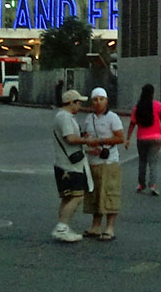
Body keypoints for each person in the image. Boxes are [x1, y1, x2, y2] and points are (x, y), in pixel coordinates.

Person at [52, 88, 98, 243]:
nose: (80, 106)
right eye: (78, 103)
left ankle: (63, 226)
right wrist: (87, 141)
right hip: (70, 164)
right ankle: (62, 227)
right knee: (77, 196)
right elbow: (70, 138)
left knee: (68, 197)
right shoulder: (65, 117)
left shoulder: (62, 116)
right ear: (71, 103)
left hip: (64, 162)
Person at [81, 87, 124, 241]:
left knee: (110, 193)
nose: (98, 103)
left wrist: (101, 142)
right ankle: (96, 225)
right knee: (95, 194)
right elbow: (85, 135)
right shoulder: (89, 118)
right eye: (95, 100)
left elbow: (120, 138)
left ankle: (110, 227)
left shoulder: (113, 118)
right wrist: (89, 146)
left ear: (106, 100)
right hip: (93, 161)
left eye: (101, 99)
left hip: (109, 161)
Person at [124, 83, 161, 195]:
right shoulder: (159, 106)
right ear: (152, 93)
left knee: (142, 161)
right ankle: (153, 185)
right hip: (156, 138)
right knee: (153, 162)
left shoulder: (138, 107)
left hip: (141, 138)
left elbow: (132, 124)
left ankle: (141, 184)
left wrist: (127, 138)